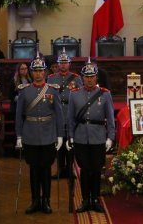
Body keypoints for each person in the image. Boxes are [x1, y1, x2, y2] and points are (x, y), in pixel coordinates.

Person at [15, 53, 64, 214]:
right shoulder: (24, 91)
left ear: (44, 72)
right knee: (34, 170)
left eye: (40, 70)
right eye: (35, 71)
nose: (37, 73)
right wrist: (19, 136)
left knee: (46, 169)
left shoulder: (53, 90)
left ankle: (46, 201)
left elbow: (59, 114)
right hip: (30, 135)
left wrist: (59, 135)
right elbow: (19, 115)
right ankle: (35, 200)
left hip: (48, 134)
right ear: (31, 72)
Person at [66, 59, 115, 213]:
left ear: (96, 78)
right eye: (86, 77)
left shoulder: (105, 94)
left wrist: (110, 137)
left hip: (98, 137)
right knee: (85, 170)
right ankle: (85, 200)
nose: (89, 79)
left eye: (91, 76)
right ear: (82, 78)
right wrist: (70, 136)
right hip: (81, 137)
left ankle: (95, 199)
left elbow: (111, 118)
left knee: (96, 170)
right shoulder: (74, 94)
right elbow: (70, 118)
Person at [47, 48, 82, 179]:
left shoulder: (76, 78)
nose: (63, 65)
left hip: (70, 112)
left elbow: (79, 96)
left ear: (69, 64)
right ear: (57, 64)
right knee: (59, 143)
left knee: (70, 142)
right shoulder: (51, 78)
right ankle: (60, 169)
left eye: (65, 62)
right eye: (60, 63)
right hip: (57, 113)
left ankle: (70, 169)